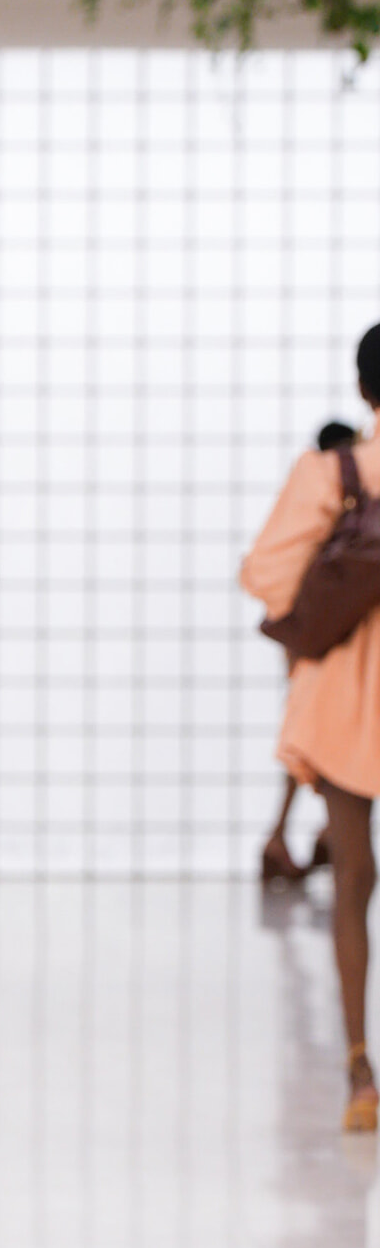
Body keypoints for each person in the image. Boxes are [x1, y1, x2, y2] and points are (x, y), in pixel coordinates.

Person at [241, 330, 380, 1132]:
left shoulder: (335, 472)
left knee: (354, 886)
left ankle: (362, 1071)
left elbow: (267, 574)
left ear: (365, 391)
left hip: (344, 699)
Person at [259, 420, 355, 885]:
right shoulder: (341, 493)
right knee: (320, 735)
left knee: (309, 735)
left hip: (308, 632)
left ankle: (299, 835)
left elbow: (272, 566)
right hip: (330, 638)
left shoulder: (312, 493)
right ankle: (307, 834)